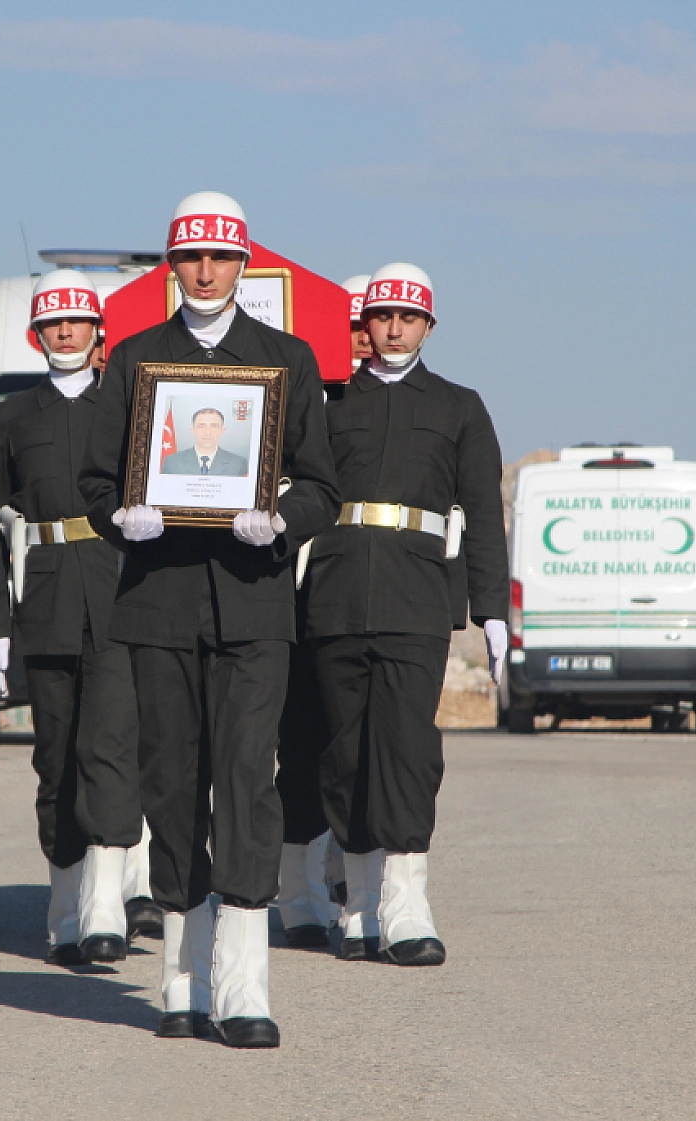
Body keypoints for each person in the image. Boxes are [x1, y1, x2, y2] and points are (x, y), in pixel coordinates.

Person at [80, 191, 340, 1049]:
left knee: (246, 781)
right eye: (189, 257)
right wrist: (123, 515)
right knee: (170, 785)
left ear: (241, 266)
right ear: (171, 265)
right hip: (157, 604)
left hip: (255, 604)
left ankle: (243, 984)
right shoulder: (135, 361)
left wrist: (284, 519)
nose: (204, 271)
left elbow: (321, 485)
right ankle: (181, 980)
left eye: (220, 258)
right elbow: (92, 480)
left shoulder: (288, 359)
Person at [302, 263, 509, 967]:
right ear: (364, 322)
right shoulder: (327, 404)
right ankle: (358, 905)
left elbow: (483, 511)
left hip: (418, 595)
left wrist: (494, 610)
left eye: (408, 318)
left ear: (428, 325)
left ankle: (407, 902)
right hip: (332, 591)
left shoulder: (460, 406)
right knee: (343, 750)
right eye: (382, 316)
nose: (393, 328)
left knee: (407, 747)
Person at [0, 269, 155, 966]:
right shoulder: (14, 418)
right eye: (54, 324)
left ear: (98, 330)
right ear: (35, 335)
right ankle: (65, 904)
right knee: (56, 761)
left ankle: (106, 904)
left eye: (78, 321)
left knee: (109, 748)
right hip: (44, 600)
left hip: (118, 597)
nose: (67, 332)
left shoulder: (131, 407)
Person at [272, 273, 373, 947]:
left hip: (355, 602)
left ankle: (349, 880)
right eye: (354, 327)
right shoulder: (308, 399)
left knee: (358, 750)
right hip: (294, 595)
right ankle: (298, 893)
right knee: (299, 749)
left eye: (371, 326)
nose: (364, 339)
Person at [161, 408, 249, 476]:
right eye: (201, 426)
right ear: (193, 430)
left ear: (222, 430)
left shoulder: (239, 464)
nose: (207, 432)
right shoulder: (172, 462)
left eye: (214, 426)